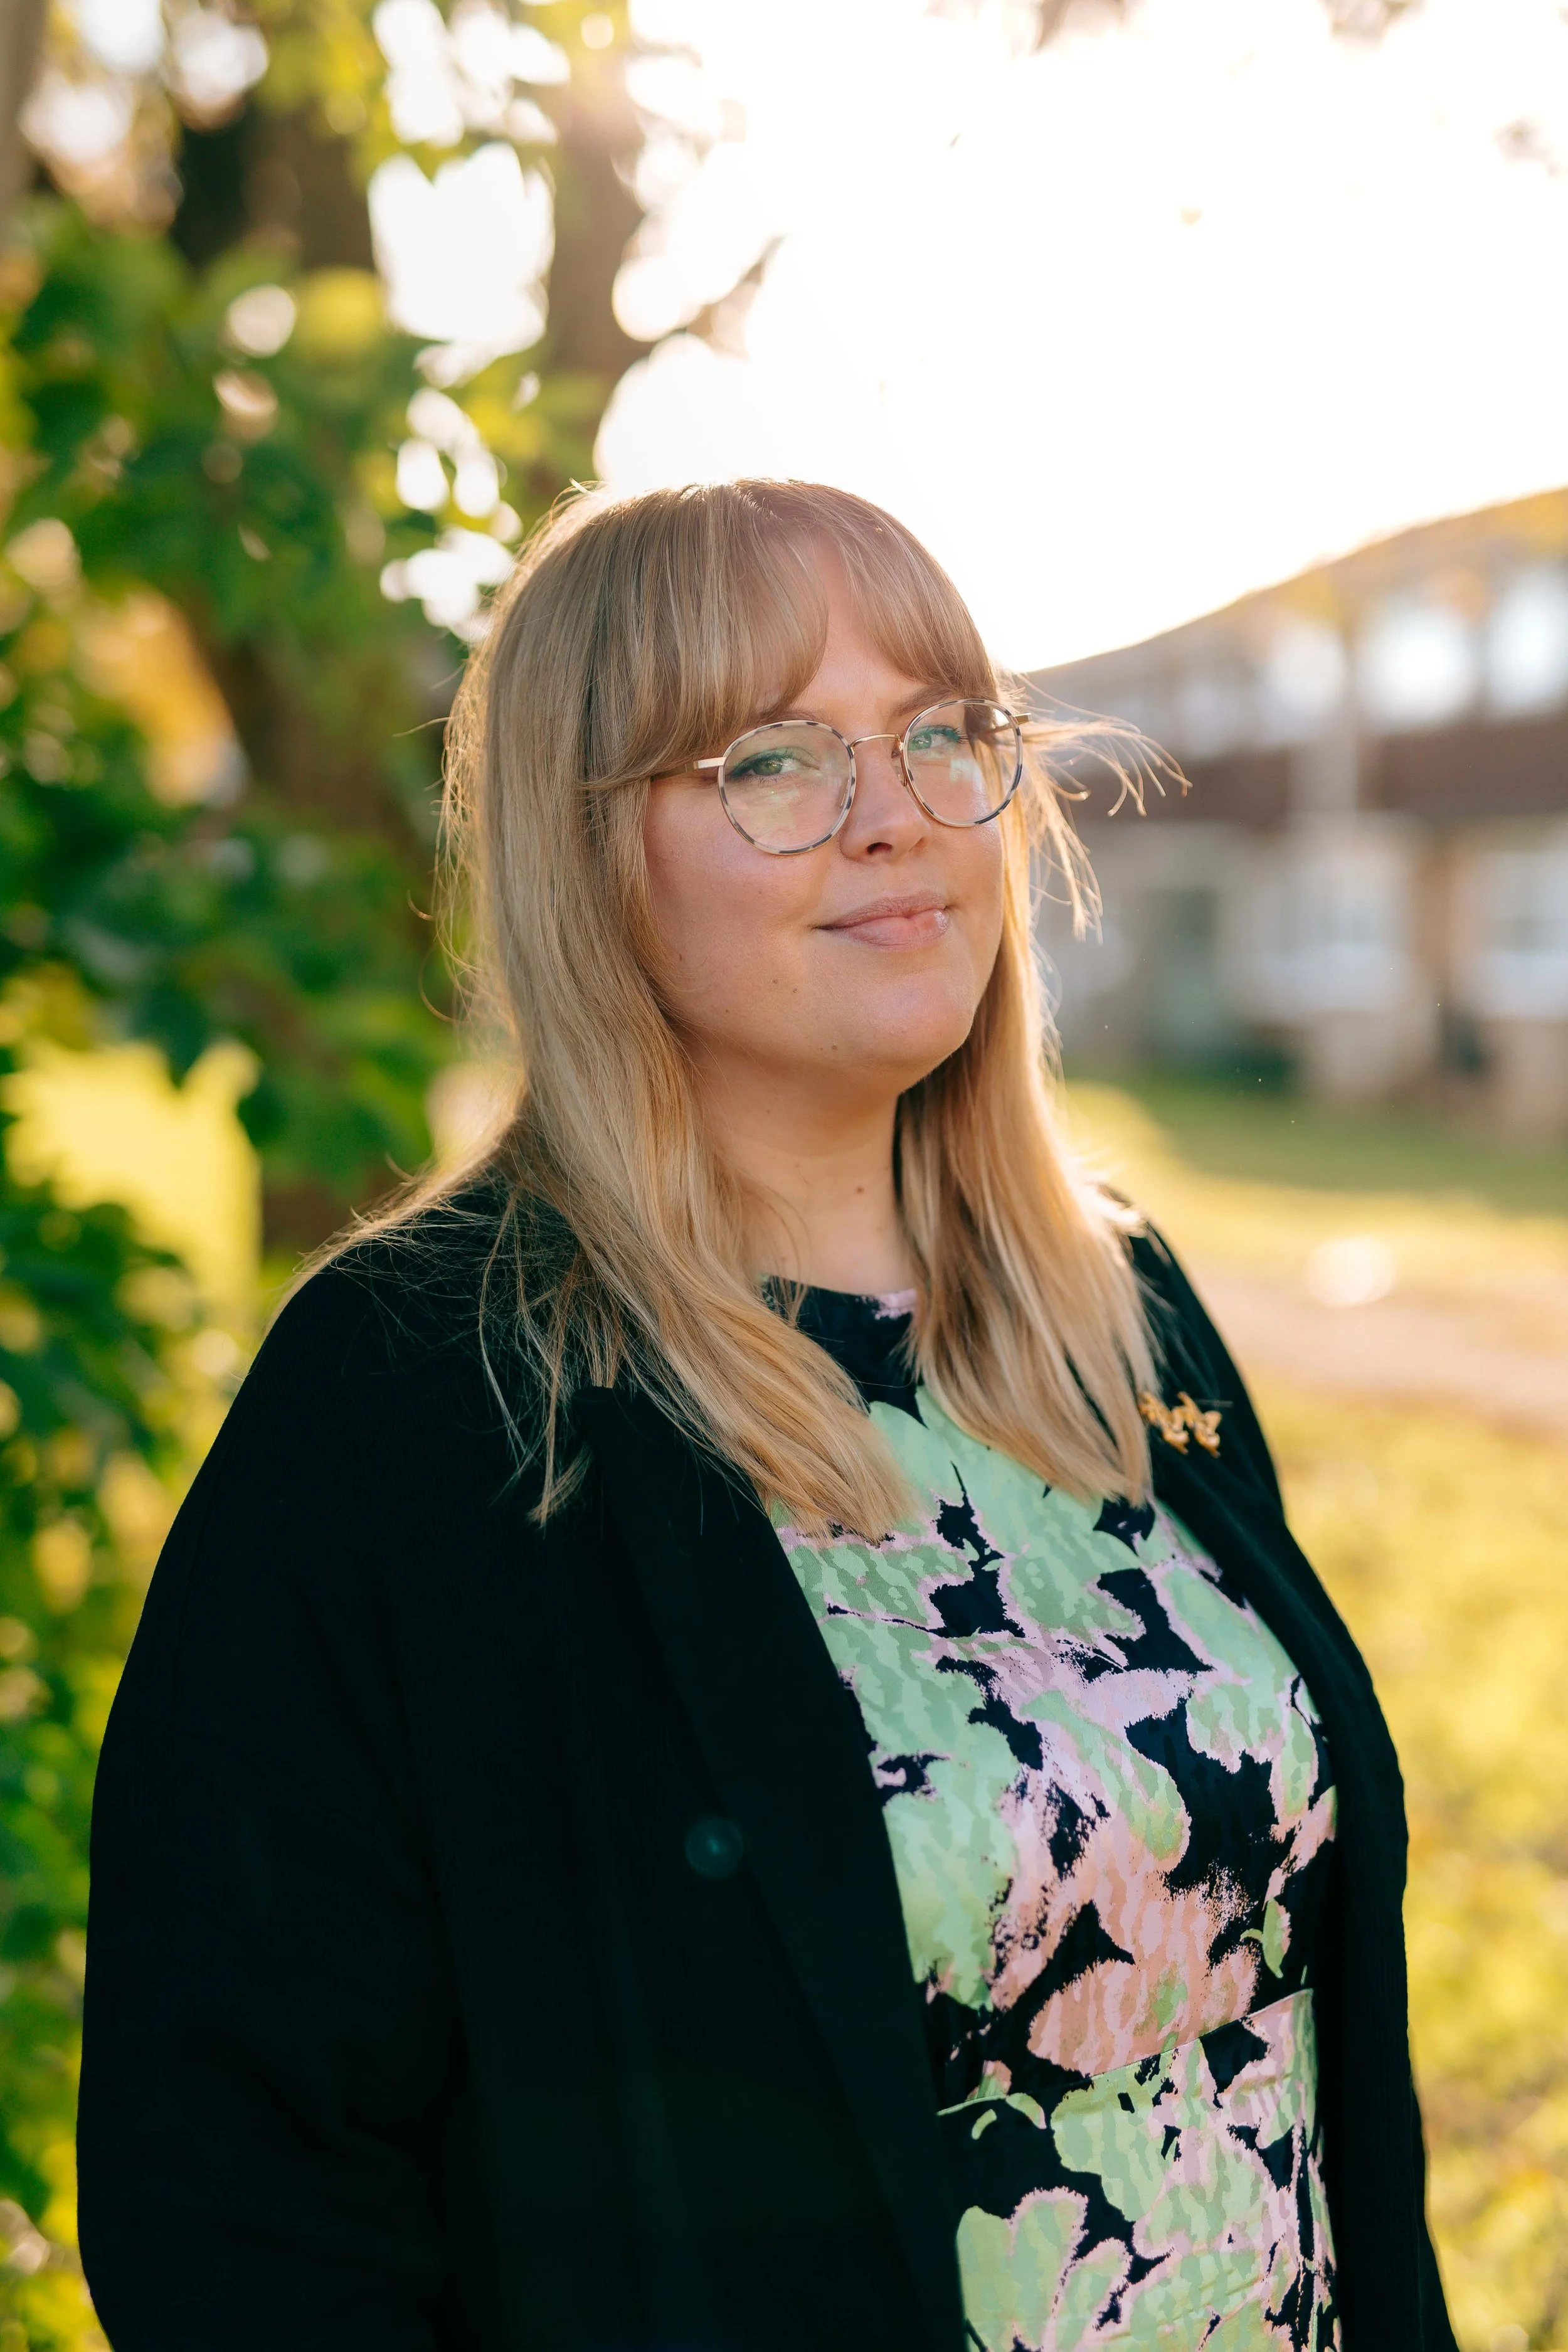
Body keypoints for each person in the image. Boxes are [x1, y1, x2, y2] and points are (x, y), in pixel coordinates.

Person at [77, 480, 1455, 2352]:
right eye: (770, 757)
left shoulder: (1114, 1311)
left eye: (942, 731)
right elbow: (237, 2181)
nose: (893, 813)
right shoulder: (414, 1396)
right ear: (590, 859)